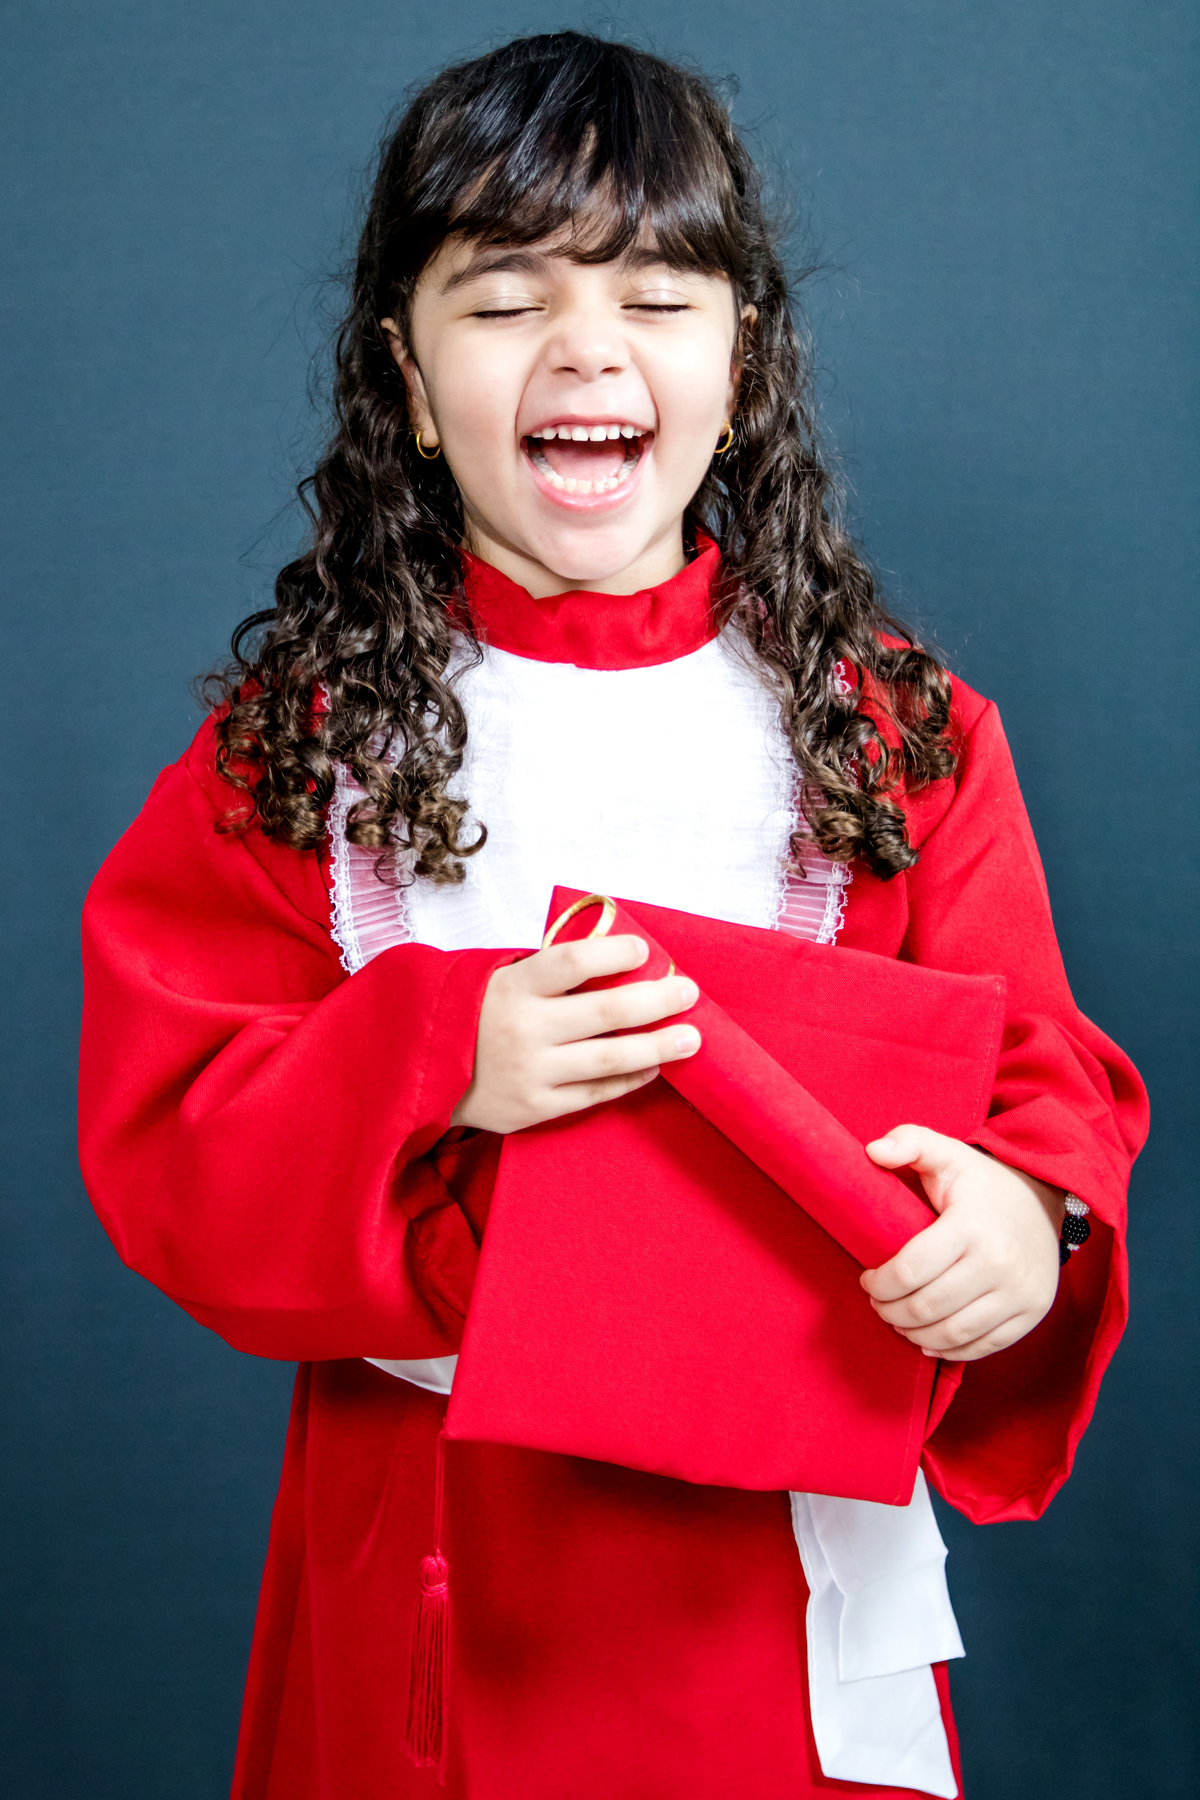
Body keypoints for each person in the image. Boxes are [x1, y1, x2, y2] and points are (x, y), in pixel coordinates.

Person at [78, 31, 1147, 1800]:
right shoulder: (297, 758)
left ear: (745, 360)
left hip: (778, 1578)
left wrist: (1027, 1221)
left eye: (656, 296)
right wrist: (445, 1048)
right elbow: (171, 1129)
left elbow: (1044, 1075)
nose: (586, 347)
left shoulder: (900, 738)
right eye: (506, 301)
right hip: (435, 1562)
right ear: (406, 375)